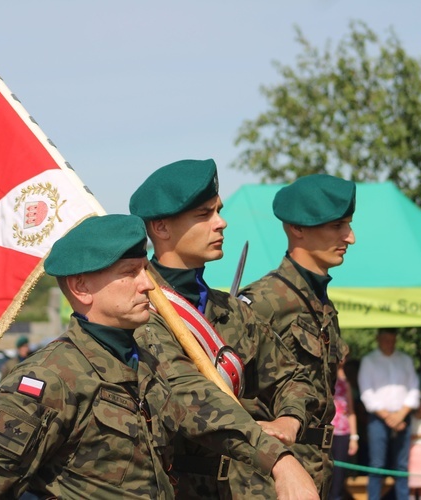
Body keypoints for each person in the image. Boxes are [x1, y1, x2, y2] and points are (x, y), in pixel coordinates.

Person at [0, 214, 317, 499]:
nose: (147, 284)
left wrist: (280, 462)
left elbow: (206, 410)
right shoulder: (50, 380)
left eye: (145, 270)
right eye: (130, 273)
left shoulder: (150, 359)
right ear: (81, 287)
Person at [129, 159, 318, 499]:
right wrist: (279, 460)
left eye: (218, 211)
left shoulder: (230, 311)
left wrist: (289, 418)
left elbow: (294, 377)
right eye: (204, 215)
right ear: (160, 228)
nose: (221, 223)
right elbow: (191, 401)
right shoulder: (141, 312)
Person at [239, 173, 356, 497]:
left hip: (317, 466)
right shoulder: (262, 302)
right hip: (269, 477)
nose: (350, 237)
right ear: (298, 228)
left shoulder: (321, 304)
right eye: (338, 226)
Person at [358, 329, 420, 500]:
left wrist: (400, 415)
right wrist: (387, 416)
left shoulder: (405, 360)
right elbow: (366, 392)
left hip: (402, 417)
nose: (388, 342)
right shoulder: (369, 360)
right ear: (378, 339)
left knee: (401, 466)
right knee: (377, 465)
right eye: (385, 339)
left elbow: (414, 389)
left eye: (391, 339)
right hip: (378, 418)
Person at [329, 359, 358, 500]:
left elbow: (351, 412)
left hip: (343, 433)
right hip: (325, 433)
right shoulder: (324, 382)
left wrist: (354, 438)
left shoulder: (345, 384)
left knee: (338, 475)